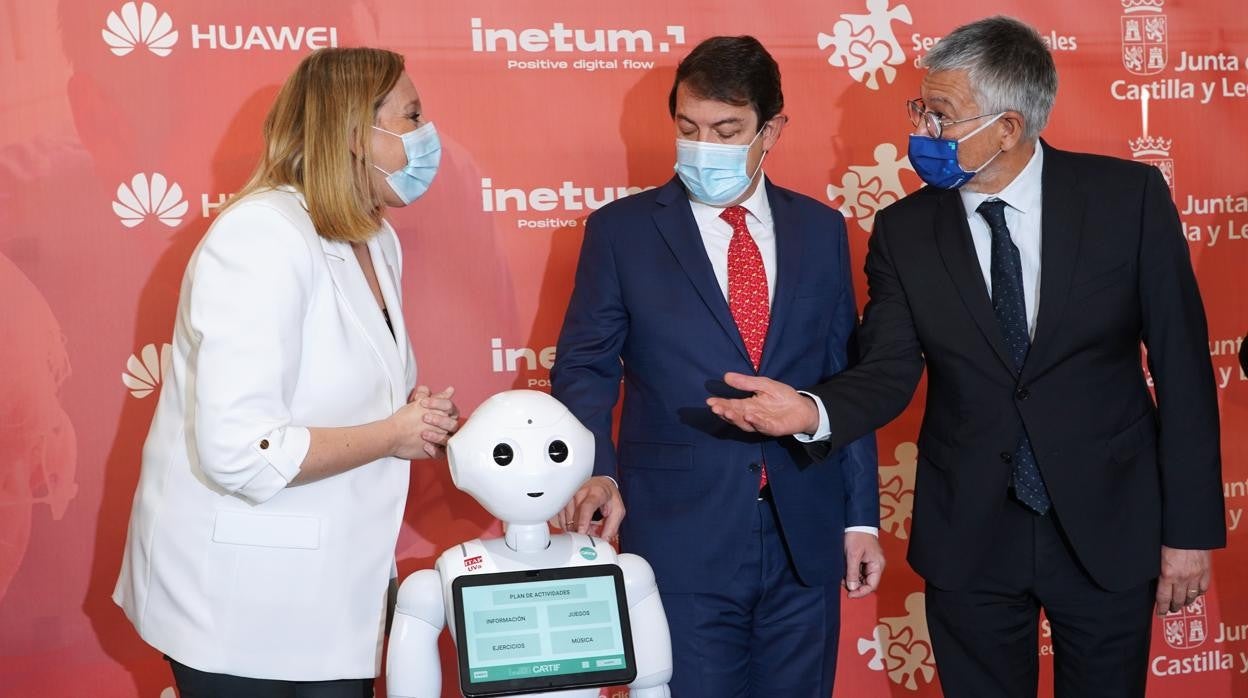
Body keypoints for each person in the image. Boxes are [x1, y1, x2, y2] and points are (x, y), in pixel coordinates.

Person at [708, 16, 1225, 697]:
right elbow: (889, 368)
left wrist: (1189, 533)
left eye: (939, 115)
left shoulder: (1127, 201)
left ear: (1007, 128)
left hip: (1108, 524)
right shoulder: (905, 230)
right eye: (920, 108)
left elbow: (1184, 370)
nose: (921, 129)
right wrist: (811, 410)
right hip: (971, 534)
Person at [112, 47, 460, 697]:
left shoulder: (375, 239)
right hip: (238, 605)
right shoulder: (260, 237)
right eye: (411, 116)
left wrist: (414, 418)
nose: (426, 135)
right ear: (357, 135)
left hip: (334, 595)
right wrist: (392, 433)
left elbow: (352, 390)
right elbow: (241, 450)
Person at [551, 36, 881, 698]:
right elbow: (585, 369)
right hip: (678, 532)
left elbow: (847, 381)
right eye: (689, 128)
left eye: (727, 130)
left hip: (803, 532)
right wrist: (599, 473)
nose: (705, 146)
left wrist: (858, 518)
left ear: (772, 129)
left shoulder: (821, 230)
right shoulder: (622, 233)